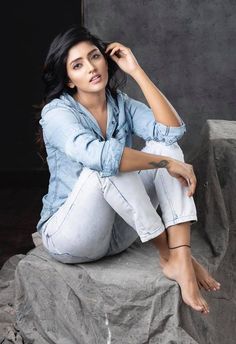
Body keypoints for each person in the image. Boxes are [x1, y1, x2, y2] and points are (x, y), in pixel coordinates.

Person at [35, 25, 220, 315]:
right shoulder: (57, 113)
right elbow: (101, 157)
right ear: (69, 80)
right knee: (105, 166)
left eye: (95, 56)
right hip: (71, 236)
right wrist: (163, 164)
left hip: (119, 235)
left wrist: (137, 71)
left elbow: (172, 132)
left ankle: (181, 254)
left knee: (165, 149)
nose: (92, 68)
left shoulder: (120, 104)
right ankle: (166, 253)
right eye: (78, 65)